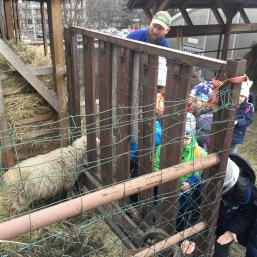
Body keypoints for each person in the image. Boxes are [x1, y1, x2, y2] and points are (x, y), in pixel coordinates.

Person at [154, 113, 207, 230]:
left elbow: (200, 174)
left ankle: (178, 233)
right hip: (165, 187)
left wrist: (192, 182)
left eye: (186, 138)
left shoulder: (199, 153)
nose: (183, 141)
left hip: (184, 191)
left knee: (181, 213)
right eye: (180, 137)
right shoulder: (164, 148)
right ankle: (160, 229)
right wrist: (162, 178)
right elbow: (156, 164)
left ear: (192, 135)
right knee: (162, 209)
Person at [231, 80, 254, 153]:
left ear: (246, 97)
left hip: (236, 134)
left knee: (231, 152)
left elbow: (248, 121)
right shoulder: (229, 104)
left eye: (242, 96)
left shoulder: (248, 107)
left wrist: (237, 122)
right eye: (239, 95)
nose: (240, 98)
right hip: (224, 131)